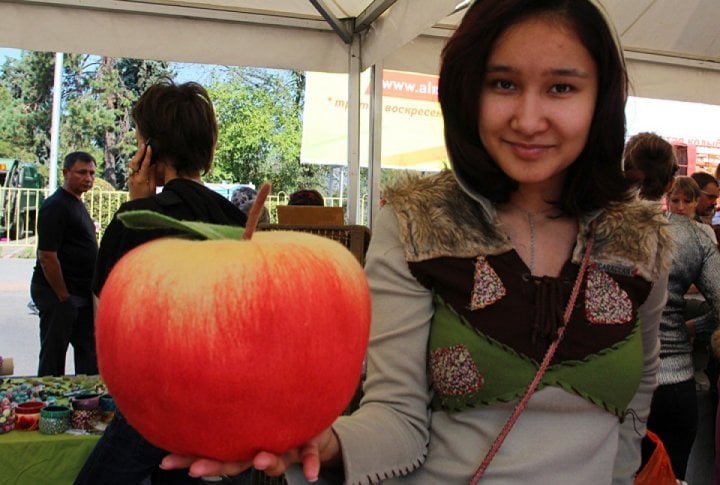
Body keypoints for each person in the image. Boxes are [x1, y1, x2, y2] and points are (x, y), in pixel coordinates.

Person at [162, 1, 673, 483]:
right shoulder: (415, 222)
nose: (528, 118)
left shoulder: (639, 240)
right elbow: (396, 417)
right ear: (467, 90)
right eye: (503, 83)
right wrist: (322, 441)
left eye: (561, 88)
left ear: (601, 98)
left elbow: (634, 409)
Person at [75, 80, 248, 485]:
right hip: (227, 406)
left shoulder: (137, 219)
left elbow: (109, 325)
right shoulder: (241, 222)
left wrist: (137, 207)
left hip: (156, 404)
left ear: (147, 150)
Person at [625, 132, 720, 481]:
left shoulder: (599, 228)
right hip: (675, 380)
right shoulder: (696, 237)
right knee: (672, 474)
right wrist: (694, 328)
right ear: (669, 184)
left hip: (616, 382)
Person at [30, 151, 98, 377]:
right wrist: (63, 297)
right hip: (59, 293)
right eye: (81, 172)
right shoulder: (56, 205)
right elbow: (47, 256)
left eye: (91, 173)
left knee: (88, 351)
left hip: (80, 294)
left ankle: (87, 402)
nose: (88, 178)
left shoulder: (76, 203)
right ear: (66, 172)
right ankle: (49, 405)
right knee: (53, 354)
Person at [667, 175, 718, 244]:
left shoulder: (705, 231)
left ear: (696, 201)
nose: (680, 207)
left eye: (687, 201)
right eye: (675, 200)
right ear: (668, 200)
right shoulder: (656, 229)